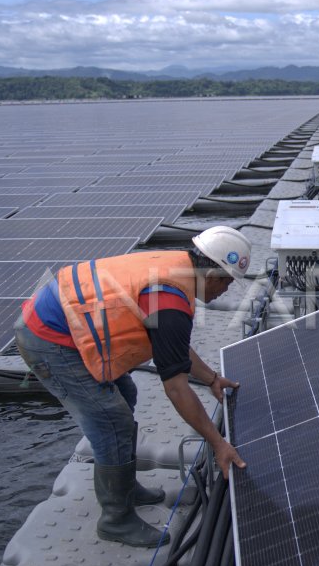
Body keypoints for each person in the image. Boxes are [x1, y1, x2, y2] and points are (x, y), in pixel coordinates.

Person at [13, 226, 251, 548]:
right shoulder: (168, 300)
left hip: (69, 322)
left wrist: (211, 378)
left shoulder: (175, 269)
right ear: (210, 272)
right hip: (49, 338)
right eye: (226, 281)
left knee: (127, 394)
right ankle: (116, 518)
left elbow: (171, 347)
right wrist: (218, 444)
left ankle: (123, 487)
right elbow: (176, 388)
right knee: (112, 419)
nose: (226, 290)